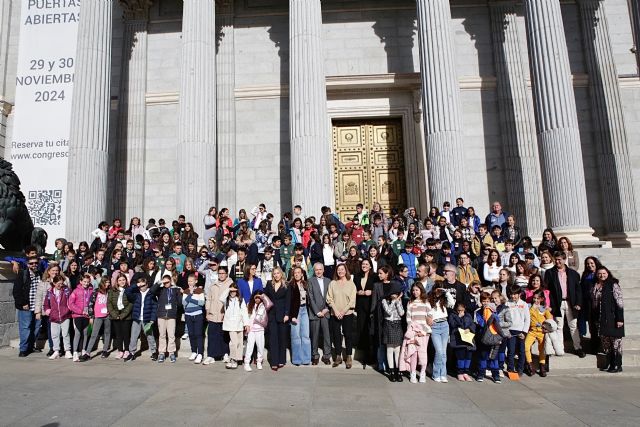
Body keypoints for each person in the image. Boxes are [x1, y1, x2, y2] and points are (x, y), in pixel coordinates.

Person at [544, 251, 585, 357]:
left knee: (573, 325)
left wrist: (578, 303)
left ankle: (578, 347)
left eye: (559, 259)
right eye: (556, 259)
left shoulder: (573, 273)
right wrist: (549, 304)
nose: (557, 261)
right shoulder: (550, 273)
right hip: (557, 303)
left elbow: (578, 290)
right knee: (559, 326)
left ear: (564, 259)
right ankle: (560, 348)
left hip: (571, 302)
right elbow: (547, 290)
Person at [591, 267, 624, 373]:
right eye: (599, 274)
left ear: (608, 273)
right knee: (606, 343)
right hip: (601, 318)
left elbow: (619, 302)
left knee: (616, 343)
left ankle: (617, 365)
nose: (602, 275)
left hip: (613, 318)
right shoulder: (595, 285)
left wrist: (620, 319)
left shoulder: (613, 284)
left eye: (604, 273)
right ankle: (610, 363)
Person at [326, 263, 357, 369]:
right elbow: (329, 298)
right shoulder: (332, 283)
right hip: (335, 313)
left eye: (342, 269)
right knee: (336, 335)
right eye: (338, 270)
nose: (340, 271)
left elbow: (352, 300)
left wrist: (343, 311)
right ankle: (338, 356)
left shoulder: (351, 284)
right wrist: (336, 310)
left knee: (348, 334)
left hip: (347, 313)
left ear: (346, 271)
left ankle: (348, 356)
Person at [12, 256, 42, 357]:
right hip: (26, 306)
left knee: (36, 327)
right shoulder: (22, 274)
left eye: (36, 263)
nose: (34, 265)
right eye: (31, 263)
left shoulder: (40, 274)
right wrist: (23, 303)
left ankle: (31, 346)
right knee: (25, 327)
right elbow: (16, 291)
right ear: (28, 264)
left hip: (38, 306)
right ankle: (23, 349)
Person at [125, 277, 158, 362]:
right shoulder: (136, 294)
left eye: (143, 285)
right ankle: (132, 353)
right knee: (133, 337)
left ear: (147, 285)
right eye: (140, 286)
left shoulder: (151, 294)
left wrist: (152, 319)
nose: (141, 287)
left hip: (147, 319)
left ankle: (154, 352)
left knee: (150, 336)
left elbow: (154, 307)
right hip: (137, 319)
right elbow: (127, 291)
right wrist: (136, 285)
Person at [402, 283, 431, 383]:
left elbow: (430, 318)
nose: (415, 292)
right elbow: (408, 318)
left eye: (417, 290)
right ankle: (413, 373)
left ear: (421, 290)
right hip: (413, 332)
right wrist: (413, 331)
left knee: (423, 353)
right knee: (413, 353)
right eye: (413, 290)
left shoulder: (426, 302)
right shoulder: (410, 302)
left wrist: (423, 331)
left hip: (424, 333)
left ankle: (422, 373)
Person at [204, 266, 232, 365]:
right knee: (212, 336)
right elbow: (208, 299)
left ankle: (225, 354)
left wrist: (227, 313)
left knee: (224, 336)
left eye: (223, 273)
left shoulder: (230, 284)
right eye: (219, 273)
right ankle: (211, 355)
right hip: (212, 314)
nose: (221, 275)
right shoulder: (213, 285)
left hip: (224, 315)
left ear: (226, 274)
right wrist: (207, 312)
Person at [264, 267, 290, 371]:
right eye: (274, 273)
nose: (276, 275)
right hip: (272, 315)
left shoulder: (286, 285)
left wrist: (287, 314)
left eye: (278, 273)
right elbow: (264, 295)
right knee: (273, 338)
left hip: (282, 315)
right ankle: (274, 362)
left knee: (282, 338)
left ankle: (281, 360)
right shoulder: (269, 284)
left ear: (281, 274)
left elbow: (288, 300)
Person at [428, 285, 455, 382]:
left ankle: (443, 373)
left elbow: (452, 303)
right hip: (435, 326)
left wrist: (446, 292)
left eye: (440, 290)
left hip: (444, 325)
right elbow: (428, 313)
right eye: (437, 289)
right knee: (439, 351)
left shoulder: (444, 301)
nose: (439, 291)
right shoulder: (430, 300)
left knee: (443, 352)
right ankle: (435, 374)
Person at [473, 292, 502, 383]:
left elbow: (497, 321)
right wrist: (487, 317)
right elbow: (481, 323)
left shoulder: (494, 310)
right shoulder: (478, 311)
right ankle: (481, 373)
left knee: (494, 357)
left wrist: (493, 315)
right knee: (483, 356)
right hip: (483, 337)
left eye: (487, 301)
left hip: (493, 337)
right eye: (484, 301)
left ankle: (495, 375)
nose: (485, 303)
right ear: (481, 302)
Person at [43, 275, 72, 360]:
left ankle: (67, 350)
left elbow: (70, 301)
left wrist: (68, 308)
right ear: (54, 283)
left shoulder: (66, 291)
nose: (60, 286)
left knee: (65, 334)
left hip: (65, 315)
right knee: (55, 334)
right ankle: (56, 351)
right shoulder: (49, 292)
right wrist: (48, 311)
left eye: (62, 284)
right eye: (58, 284)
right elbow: (46, 304)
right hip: (54, 316)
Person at [219, 283, 248, 369]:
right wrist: (229, 289)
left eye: (234, 291)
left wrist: (246, 324)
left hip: (239, 324)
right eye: (231, 291)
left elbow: (244, 312)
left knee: (239, 342)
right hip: (230, 325)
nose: (232, 293)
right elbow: (221, 298)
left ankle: (238, 358)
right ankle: (233, 359)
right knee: (233, 342)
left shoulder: (241, 300)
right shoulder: (226, 299)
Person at [524, 290, 553, 377]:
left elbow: (550, 319)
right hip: (532, 331)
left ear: (542, 299)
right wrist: (533, 308)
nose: (536, 300)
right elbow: (528, 315)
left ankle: (542, 367)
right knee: (526, 346)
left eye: (538, 298)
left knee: (542, 349)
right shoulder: (530, 307)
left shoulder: (544, 308)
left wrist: (547, 328)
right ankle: (530, 365)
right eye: (534, 298)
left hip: (541, 332)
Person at [154, 274, 181, 363]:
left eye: (167, 281)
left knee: (171, 335)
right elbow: (151, 291)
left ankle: (171, 353)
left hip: (171, 315)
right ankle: (161, 353)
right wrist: (160, 282)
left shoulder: (175, 290)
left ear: (171, 281)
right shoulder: (160, 290)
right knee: (162, 335)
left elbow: (180, 303)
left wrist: (176, 288)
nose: (166, 283)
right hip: (161, 315)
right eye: (164, 282)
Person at [382, 280, 405, 382]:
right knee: (390, 348)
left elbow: (402, 313)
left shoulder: (399, 301)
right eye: (393, 293)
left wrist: (398, 302)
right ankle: (391, 371)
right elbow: (388, 312)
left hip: (397, 324)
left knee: (398, 349)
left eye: (396, 293)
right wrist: (393, 301)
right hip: (388, 324)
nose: (395, 295)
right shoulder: (384, 301)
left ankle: (398, 370)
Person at [353, 259, 375, 366]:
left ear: (370, 266)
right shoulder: (357, 276)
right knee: (362, 329)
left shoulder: (374, 276)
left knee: (370, 330)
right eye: (363, 264)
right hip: (361, 306)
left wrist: (371, 292)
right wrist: (358, 292)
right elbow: (354, 289)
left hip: (371, 306)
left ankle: (371, 355)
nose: (364, 266)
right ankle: (364, 355)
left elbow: (378, 289)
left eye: (367, 264)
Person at [244, 290, 272, 371]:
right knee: (250, 347)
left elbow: (270, 303)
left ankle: (259, 361)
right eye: (256, 297)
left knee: (260, 346)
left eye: (259, 297)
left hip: (260, 329)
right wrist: (247, 326)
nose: (257, 299)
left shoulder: (264, 305)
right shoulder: (249, 304)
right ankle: (247, 363)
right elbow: (247, 316)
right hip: (251, 330)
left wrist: (262, 296)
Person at [68, 274, 94, 362]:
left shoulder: (91, 290)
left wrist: (90, 313)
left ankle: (83, 350)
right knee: (78, 333)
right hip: (78, 315)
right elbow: (71, 304)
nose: (86, 283)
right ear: (81, 282)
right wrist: (80, 311)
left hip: (87, 315)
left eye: (88, 282)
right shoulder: (76, 291)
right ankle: (75, 352)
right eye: (84, 282)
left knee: (85, 333)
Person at [448, 301, 476, 382]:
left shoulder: (468, 315)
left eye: (462, 310)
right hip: (458, 339)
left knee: (468, 356)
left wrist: (469, 329)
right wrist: (459, 317)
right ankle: (460, 372)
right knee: (460, 356)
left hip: (468, 339)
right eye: (459, 310)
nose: (460, 312)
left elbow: (472, 324)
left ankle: (465, 372)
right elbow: (452, 325)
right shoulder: (453, 315)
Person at [289, 267, 312, 365]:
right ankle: (297, 359)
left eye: (299, 272)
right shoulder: (290, 285)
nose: (297, 274)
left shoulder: (306, 284)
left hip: (304, 311)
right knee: (295, 336)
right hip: (295, 312)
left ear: (302, 274)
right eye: (295, 273)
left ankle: (306, 359)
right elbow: (288, 302)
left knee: (305, 335)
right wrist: (291, 316)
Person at [108, 274, 133, 360]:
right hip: (115, 315)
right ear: (117, 282)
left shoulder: (129, 290)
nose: (122, 282)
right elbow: (109, 303)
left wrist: (122, 315)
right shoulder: (112, 291)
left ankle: (126, 350)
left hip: (126, 316)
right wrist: (115, 315)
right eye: (120, 280)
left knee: (126, 334)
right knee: (118, 334)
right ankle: (120, 351)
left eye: (123, 280)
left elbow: (130, 303)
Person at [506, 284, 530, 376]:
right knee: (511, 351)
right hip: (510, 331)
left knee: (521, 351)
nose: (513, 296)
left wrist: (524, 332)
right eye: (511, 294)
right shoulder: (507, 304)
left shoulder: (524, 304)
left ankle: (520, 369)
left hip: (521, 332)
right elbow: (505, 318)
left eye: (515, 294)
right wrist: (507, 331)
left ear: (519, 294)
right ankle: (510, 369)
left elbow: (527, 319)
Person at [580, 256, 602, 350]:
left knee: (600, 325)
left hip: (599, 304)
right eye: (588, 264)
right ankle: (594, 345)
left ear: (596, 263)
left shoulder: (601, 273)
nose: (590, 265)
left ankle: (602, 345)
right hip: (588, 304)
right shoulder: (585, 275)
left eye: (592, 263)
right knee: (592, 325)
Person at [86, 277, 112, 359]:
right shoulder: (96, 291)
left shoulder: (109, 291)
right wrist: (91, 316)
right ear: (102, 282)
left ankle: (105, 350)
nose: (108, 284)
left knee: (107, 333)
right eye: (106, 282)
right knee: (94, 334)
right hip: (98, 316)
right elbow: (90, 304)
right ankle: (87, 352)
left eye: (109, 282)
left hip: (107, 315)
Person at [183, 274, 206, 364]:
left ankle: (200, 353)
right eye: (188, 281)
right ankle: (193, 351)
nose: (190, 283)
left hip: (198, 315)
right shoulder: (186, 291)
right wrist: (190, 294)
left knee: (198, 334)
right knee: (191, 334)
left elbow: (201, 303)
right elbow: (184, 303)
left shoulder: (200, 291)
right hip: (188, 315)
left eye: (191, 281)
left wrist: (191, 299)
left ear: (196, 281)